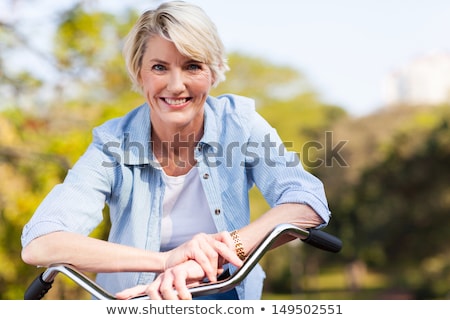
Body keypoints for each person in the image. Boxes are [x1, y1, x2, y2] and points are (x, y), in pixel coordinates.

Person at [21, 0, 331, 300]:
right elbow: (40, 243)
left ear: (214, 71)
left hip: (224, 290)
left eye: (192, 66)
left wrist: (215, 255)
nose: (176, 85)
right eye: (159, 67)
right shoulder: (112, 143)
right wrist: (168, 261)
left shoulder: (240, 123)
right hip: (135, 300)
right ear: (140, 74)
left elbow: (306, 201)